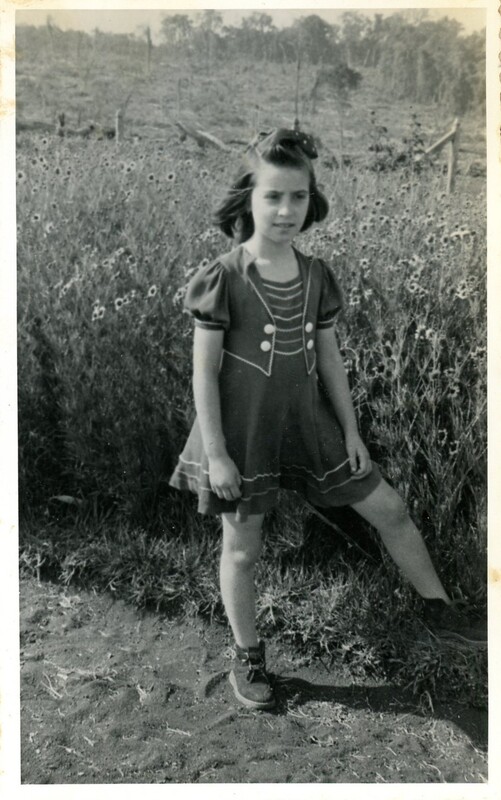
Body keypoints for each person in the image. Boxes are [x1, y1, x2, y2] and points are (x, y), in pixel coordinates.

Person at [169, 128, 486, 710]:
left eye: (298, 196)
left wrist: (351, 430)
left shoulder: (316, 275)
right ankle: (248, 655)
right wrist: (216, 453)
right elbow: (204, 374)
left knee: (389, 508)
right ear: (248, 199)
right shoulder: (223, 277)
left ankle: (439, 610)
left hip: (311, 423)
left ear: (311, 201)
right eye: (272, 196)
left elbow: (331, 359)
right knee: (243, 549)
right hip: (244, 433)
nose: (285, 210)